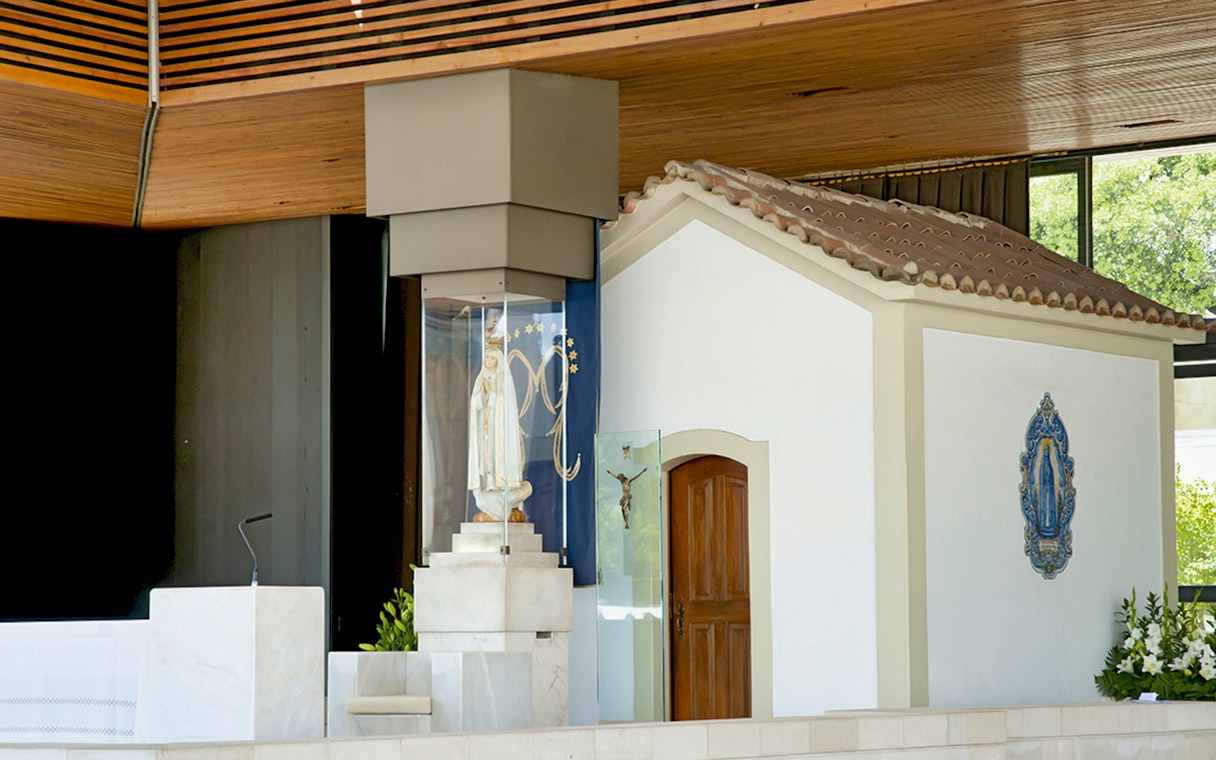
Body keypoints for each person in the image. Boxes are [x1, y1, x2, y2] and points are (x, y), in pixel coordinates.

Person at [468, 338, 530, 521]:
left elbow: (506, 404)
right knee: (485, 456)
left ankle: (499, 484)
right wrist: (482, 395)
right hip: (484, 426)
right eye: (486, 358)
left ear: (498, 360)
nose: (488, 362)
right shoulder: (481, 378)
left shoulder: (503, 379)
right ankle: (487, 484)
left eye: (492, 358)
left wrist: (492, 393)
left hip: (498, 428)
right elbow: (474, 403)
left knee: (497, 454)